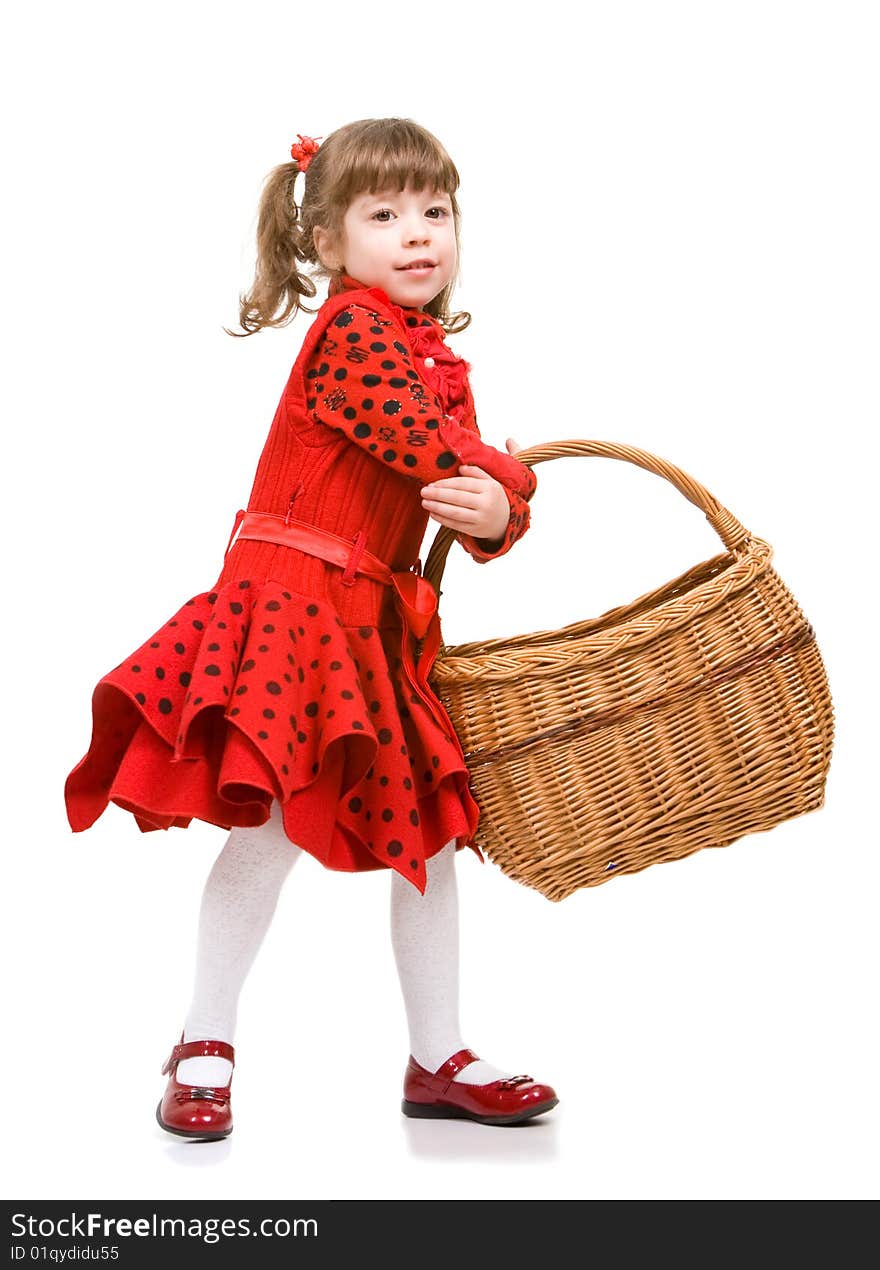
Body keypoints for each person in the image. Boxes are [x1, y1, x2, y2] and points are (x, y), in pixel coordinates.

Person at [64, 117, 559, 1139]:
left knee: (429, 838)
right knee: (271, 830)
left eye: (436, 211)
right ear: (330, 245)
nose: (418, 233)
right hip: (294, 611)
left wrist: (492, 514)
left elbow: (444, 483)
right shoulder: (352, 334)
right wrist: (510, 488)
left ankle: (439, 1053)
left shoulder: (435, 360)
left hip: (363, 625)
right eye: (384, 214)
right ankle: (204, 1036)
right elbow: (426, 449)